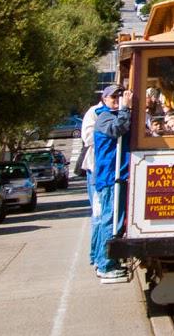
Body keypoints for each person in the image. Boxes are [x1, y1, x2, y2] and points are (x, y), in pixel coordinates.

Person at [91, 84, 132, 283]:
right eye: (113, 97)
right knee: (110, 220)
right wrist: (126, 109)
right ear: (104, 99)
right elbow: (119, 130)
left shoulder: (113, 114)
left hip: (117, 176)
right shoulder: (105, 118)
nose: (117, 99)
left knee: (113, 219)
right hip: (109, 178)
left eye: (120, 96)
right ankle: (105, 265)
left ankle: (107, 262)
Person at [76, 94, 101, 266]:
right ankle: (98, 257)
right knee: (99, 215)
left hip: (109, 170)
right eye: (113, 96)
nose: (117, 99)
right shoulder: (93, 113)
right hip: (96, 169)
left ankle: (98, 255)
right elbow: (89, 139)